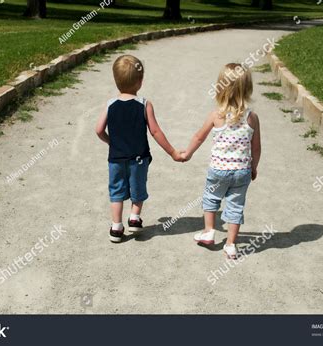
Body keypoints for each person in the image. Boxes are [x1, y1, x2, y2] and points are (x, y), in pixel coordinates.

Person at [95, 55, 184, 243]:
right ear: (140, 81)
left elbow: (98, 130)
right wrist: (173, 152)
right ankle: (134, 217)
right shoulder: (144, 104)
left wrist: (111, 142)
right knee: (138, 187)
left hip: (116, 159)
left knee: (116, 191)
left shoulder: (110, 105)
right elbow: (155, 131)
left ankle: (116, 227)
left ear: (115, 80)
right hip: (139, 158)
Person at [181, 63, 261, 259]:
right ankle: (231, 244)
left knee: (211, 198)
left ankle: (209, 231)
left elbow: (199, 137)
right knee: (235, 205)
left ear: (221, 88)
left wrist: (187, 153)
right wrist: (253, 167)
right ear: (247, 88)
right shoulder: (252, 118)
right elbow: (256, 147)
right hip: (241, 171)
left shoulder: (216, 116)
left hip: (218, 169)